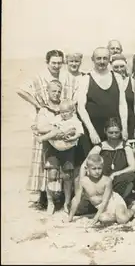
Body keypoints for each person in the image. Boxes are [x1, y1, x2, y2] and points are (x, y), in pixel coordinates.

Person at [18, 50, 78, 203]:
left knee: (63, 159)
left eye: (59, 63)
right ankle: (44, 195)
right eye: (54, 63)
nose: (57, 66)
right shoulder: (40, 77)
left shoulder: (65, 77)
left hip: (62, 120)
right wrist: (37, 104)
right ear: (47, 62)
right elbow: (20, 90)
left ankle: (61, 196)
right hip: (45, 118)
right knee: (44, 159)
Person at [36, 98, 84, 213]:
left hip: (68, 150)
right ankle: (50, 202)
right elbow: (49, 128)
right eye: (62, 112)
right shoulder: (57, 118)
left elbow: (80, 132)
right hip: (54, 148)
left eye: (66, 112)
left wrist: (73, 136)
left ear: (72, 111)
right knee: (52, 175)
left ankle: (66, 203)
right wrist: (57, 131)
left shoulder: (75, 121)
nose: (64, 114)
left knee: (67, 176)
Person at [68, 154, 135, 226]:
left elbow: (105, 201)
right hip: (103, 209)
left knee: (122, 220)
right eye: (94, 169)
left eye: (99, 168)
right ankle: (119, 215)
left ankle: (132, 211)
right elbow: (76, 199)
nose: (97, 171)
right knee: (103, 219)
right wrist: (70, 218)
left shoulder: (106, 181)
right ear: (86, 168)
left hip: (115, 202)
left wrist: (95, 218)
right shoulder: (83, 182)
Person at [77, 47, 128, 155]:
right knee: (93, 164)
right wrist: (91, 131)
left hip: (113, 130)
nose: (102, 61)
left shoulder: (118, 77)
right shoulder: (85, 79)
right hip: (93, 129)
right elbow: (81, 107)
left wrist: (124, 128)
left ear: (109, 59)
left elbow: (122, 104)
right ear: (93, 59)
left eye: (105, 58)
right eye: (98, 58)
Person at [79, 118, 135, 204]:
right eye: (110, 132)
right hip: (101, 182)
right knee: (80, 207)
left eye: (116, 132)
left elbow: (132, 167)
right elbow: (84, 165)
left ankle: (112, 201)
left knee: (130, 176)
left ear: (120, 131)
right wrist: (82, 181)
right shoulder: (99, 147)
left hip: (117, 182)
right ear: (105, 131)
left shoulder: (125, 147)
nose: (114, 135)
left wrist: (115, 174)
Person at [111, 54, 135, 143]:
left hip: (130, 121)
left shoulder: (132, 81)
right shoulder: (109, 82)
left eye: (122, 66)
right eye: (116, 67)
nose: (119, 70)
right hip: (113, 123)